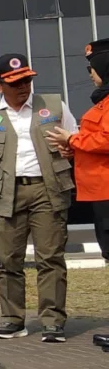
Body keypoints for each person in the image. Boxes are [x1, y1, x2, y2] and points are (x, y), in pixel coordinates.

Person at [0, 53, 78, 343]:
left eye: (27, 80)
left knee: (51, 258)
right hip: (8, 192)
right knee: (8, 260)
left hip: (48, 189)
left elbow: (73, 141)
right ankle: (12, 319)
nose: (23, 87)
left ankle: (53, 322)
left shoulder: (54, 106)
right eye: (15, 82)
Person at [47, 40, 109, 262]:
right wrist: (76, 150)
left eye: (92, 68)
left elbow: (106, 139)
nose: (90, 74)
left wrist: (72, 139)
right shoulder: (103, 102)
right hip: (100, 189)